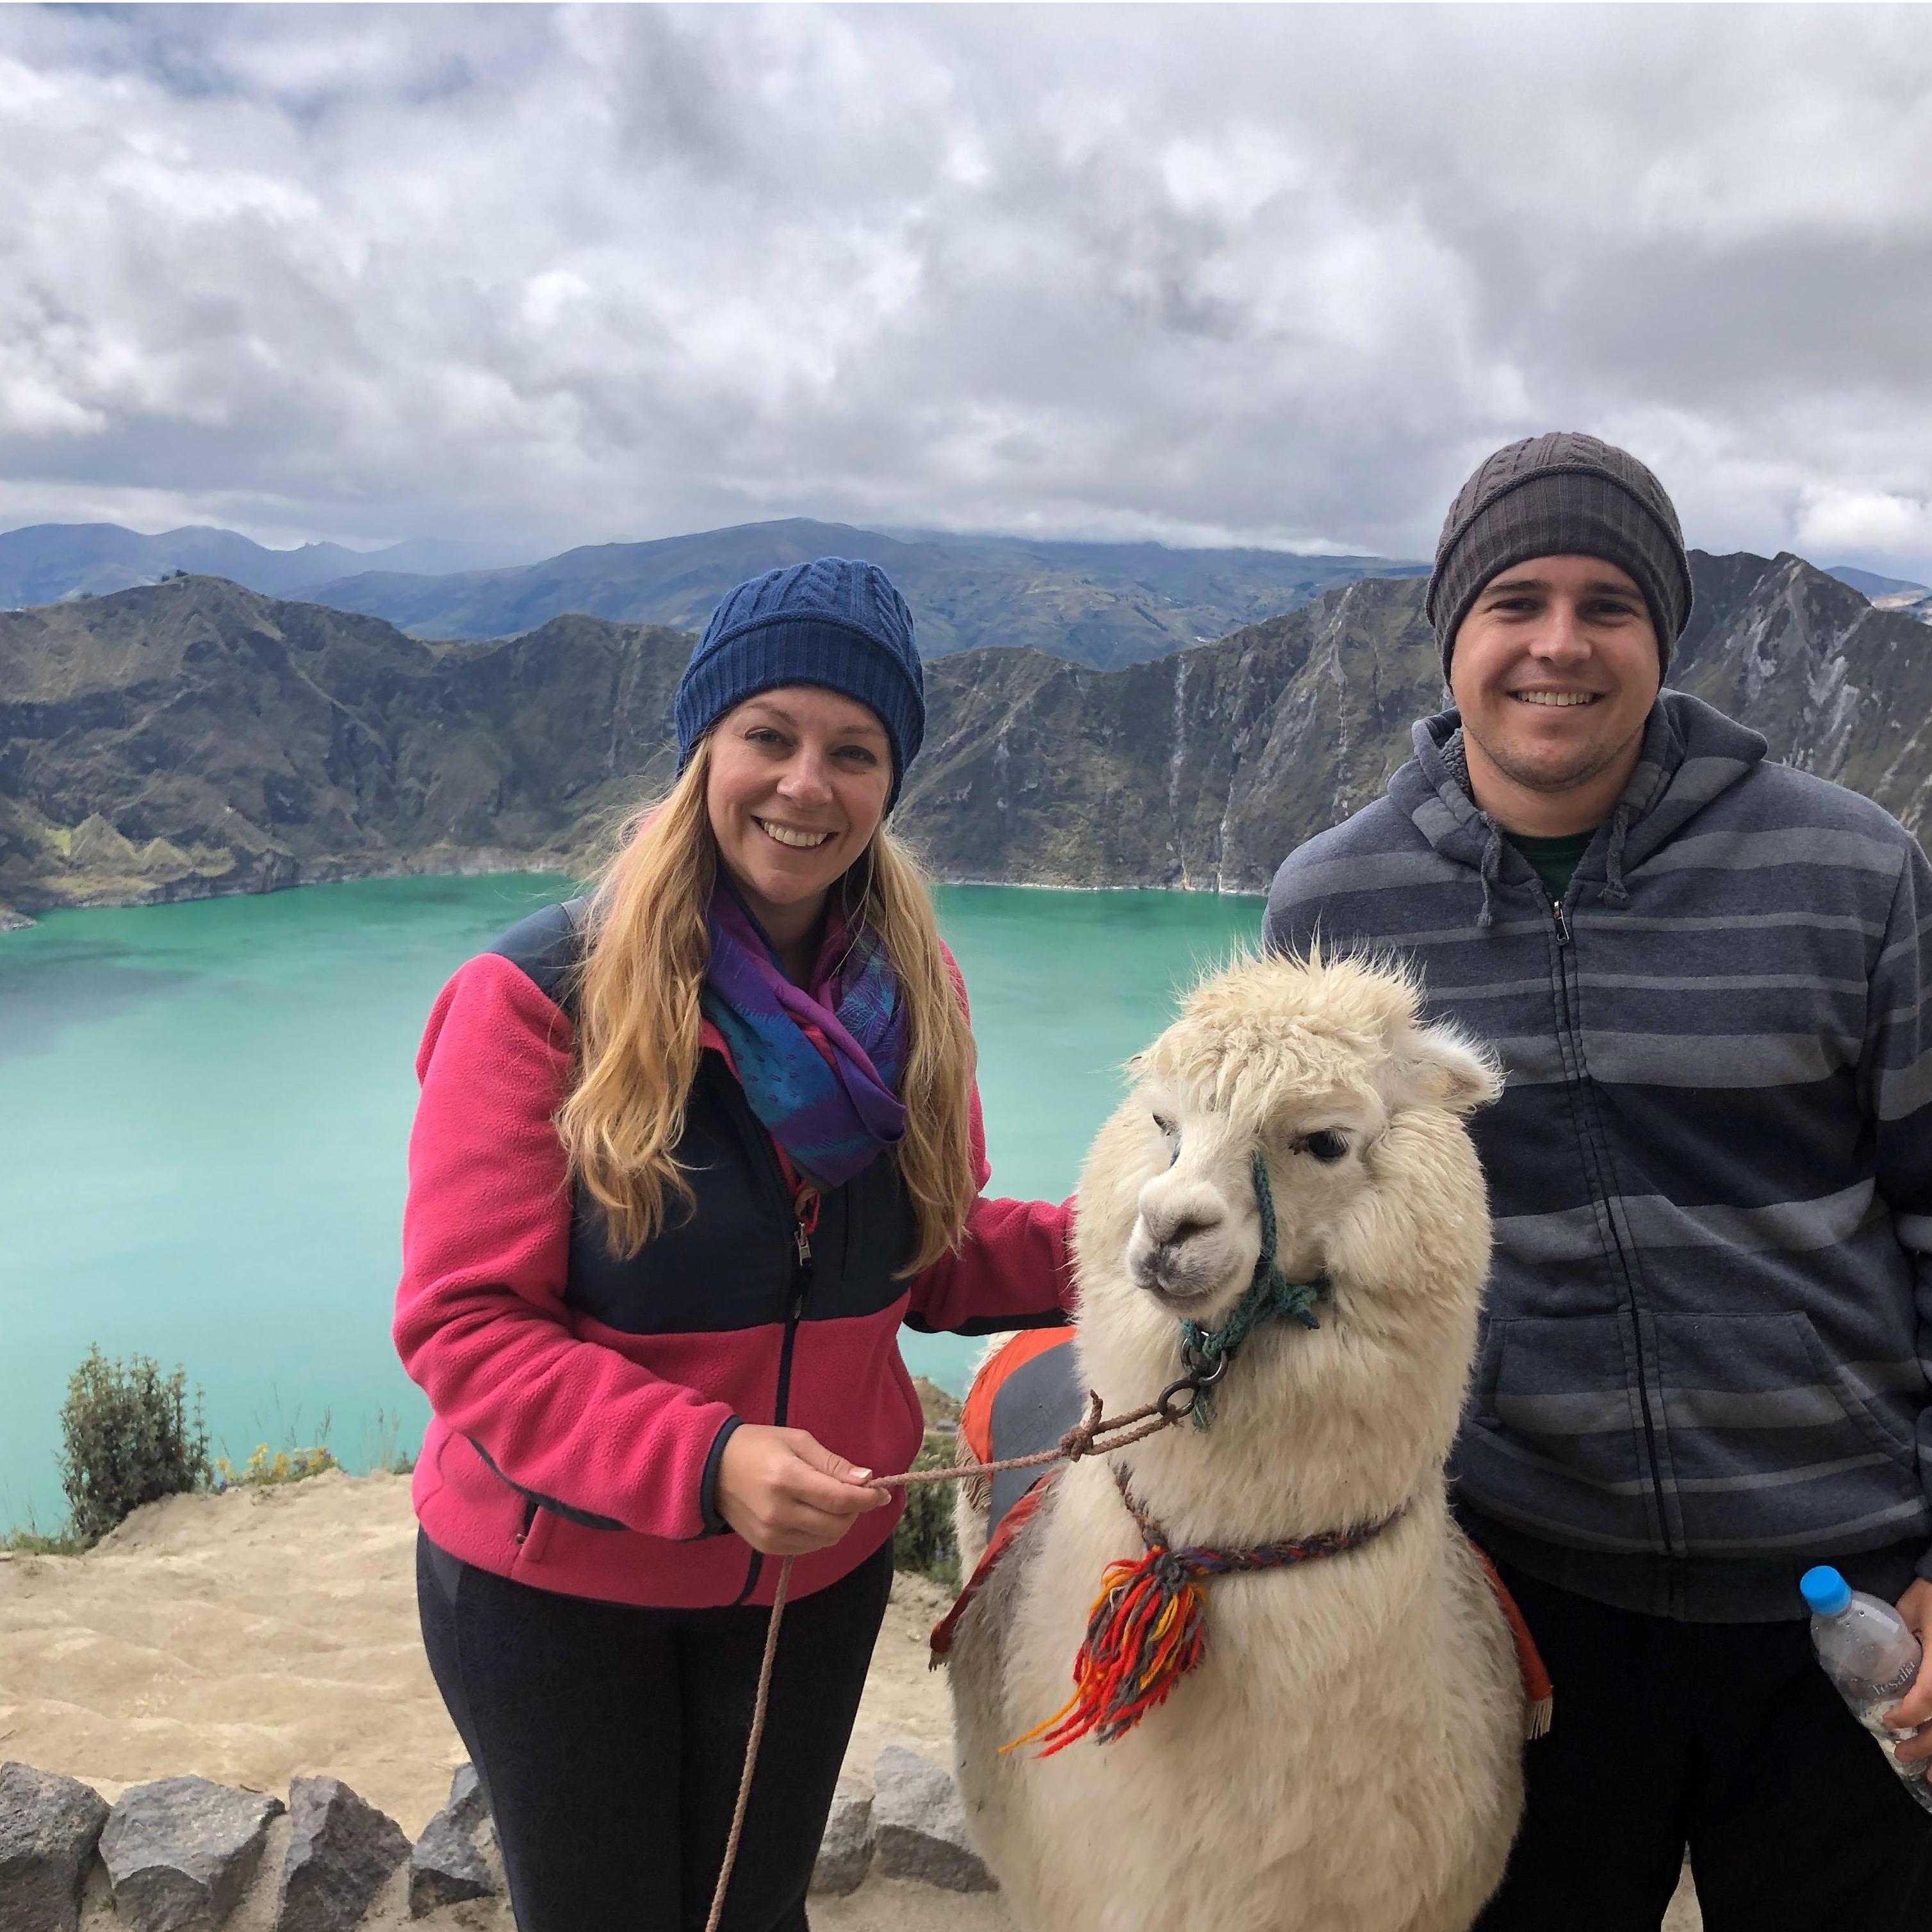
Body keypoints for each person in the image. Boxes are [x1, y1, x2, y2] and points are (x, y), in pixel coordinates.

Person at [1264, 433, 1932, 1930]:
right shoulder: (1334, 907)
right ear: (1451, 634)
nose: (1556, 643)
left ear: (1659, 636)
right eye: (1512, 600)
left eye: (1604, 603)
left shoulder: (1847, 872)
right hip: (1512, 1603)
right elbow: (1298, 1269)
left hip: (1845, 1605)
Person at [393, 557, 1072, 1932]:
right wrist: (703, 1460)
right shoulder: (535, 996)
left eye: (853, 750)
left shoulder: (914, 995)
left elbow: (921, 1259)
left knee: (752, 1909)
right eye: (767, 735)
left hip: (810, 1576)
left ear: (892, 779)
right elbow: (465, 1327)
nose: (803, 784)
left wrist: (1143, 1244)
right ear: (706, 744)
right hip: (559, 1586)